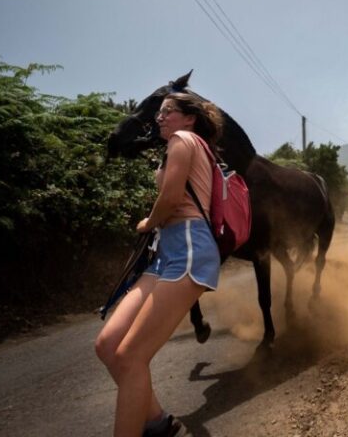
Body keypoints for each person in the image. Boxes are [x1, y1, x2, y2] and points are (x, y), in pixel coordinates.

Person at [95, 92, 223, 437]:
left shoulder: (184, 140)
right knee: (108, 346)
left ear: (189, 118)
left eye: (168, 112)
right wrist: (155, 225)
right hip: (164, 254)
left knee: (130, 358)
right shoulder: (177, 147)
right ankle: (157, 423)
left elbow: (170, 199)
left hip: (188, 250)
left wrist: (148, 222)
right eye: (160, 113)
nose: (160, 118)